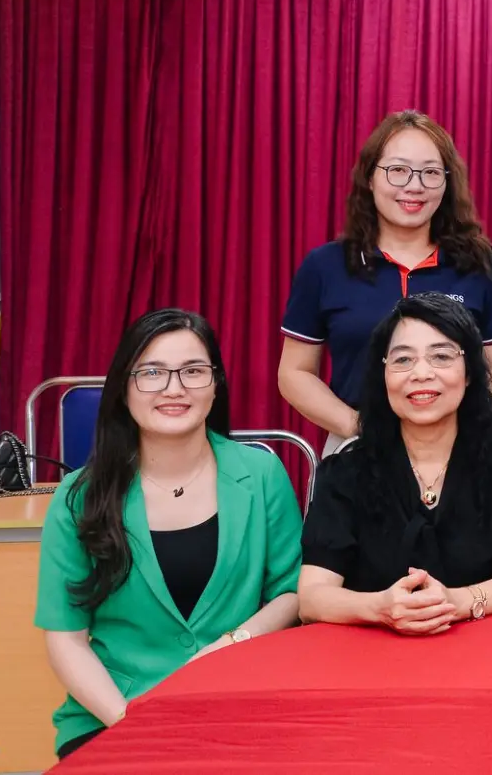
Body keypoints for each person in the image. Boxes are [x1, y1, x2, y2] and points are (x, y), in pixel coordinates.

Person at [36, 310, 301, 759]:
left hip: (240, 706)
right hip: (115, 715)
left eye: (193, 371)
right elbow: (66, 639)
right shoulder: (78, 496)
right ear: (123, 388)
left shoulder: (262, 474)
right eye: (152, 373)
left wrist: (234, 642)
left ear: (215, 385)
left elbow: (292, 592)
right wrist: (133, 726)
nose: (174, 388)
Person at [297, 293, 492, 633]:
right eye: (403, 360)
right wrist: (380, 608)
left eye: (441, 356)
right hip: (370, 652)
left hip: (484, 647)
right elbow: (312, 598)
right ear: (383, 375)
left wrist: (455, 602)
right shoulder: (344, 473)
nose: (421, 373)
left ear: (469, 373)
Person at [280, 110, 492, 452]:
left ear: (447, 183)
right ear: (370, 178)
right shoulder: (325, 266)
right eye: (398, 170)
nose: (414, 186)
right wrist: (358, 428)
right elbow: (294, 372)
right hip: (359, 446)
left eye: (430, 173)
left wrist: (461, 424)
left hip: (459, 445)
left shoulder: (478, 265)